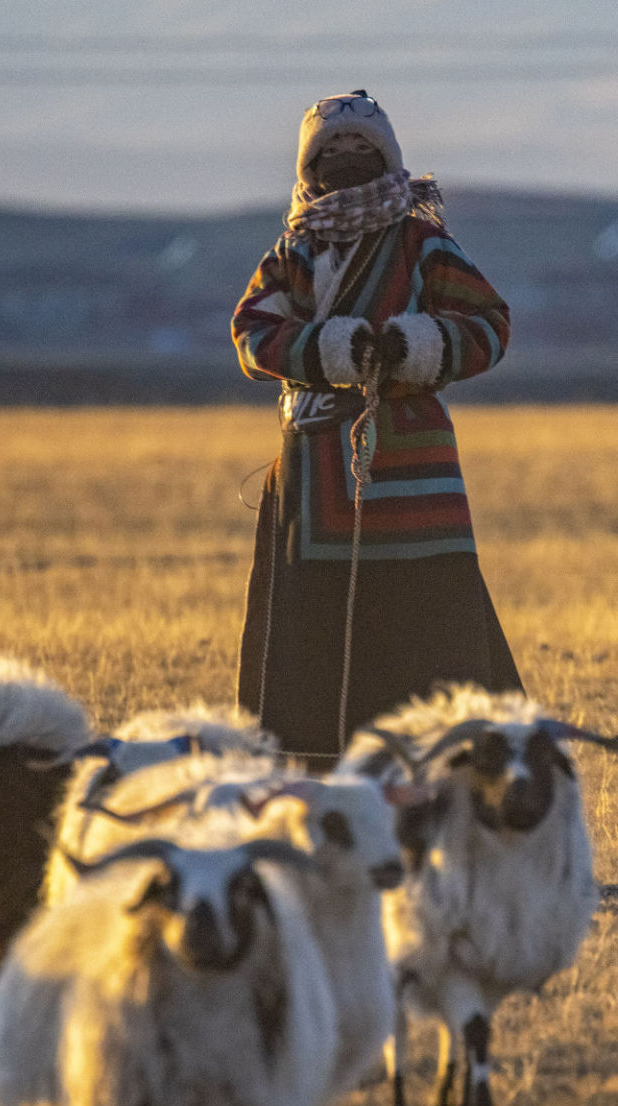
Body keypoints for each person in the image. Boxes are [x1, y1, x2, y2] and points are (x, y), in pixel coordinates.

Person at [232, 90, 521, 767]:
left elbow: (491, 326)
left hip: (418, 482)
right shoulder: (294, 248)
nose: (347, 158)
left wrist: (414, 347)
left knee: (434, 638)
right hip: (315, 482)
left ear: (386, 156)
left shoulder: (425, 243)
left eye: (362, 148)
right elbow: (251, 334)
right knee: (315, 645)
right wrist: (332, 350)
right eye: (331, 150)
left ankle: (451, 784)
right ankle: (318, 784)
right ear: (311, 165)